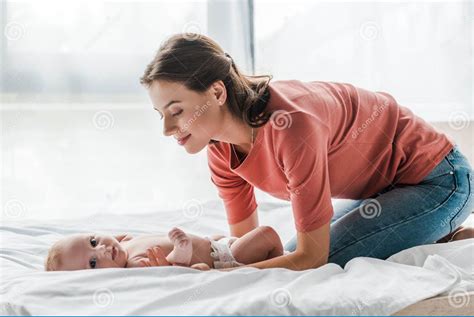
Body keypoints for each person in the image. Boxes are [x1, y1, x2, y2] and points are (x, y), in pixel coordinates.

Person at [140, 33, 474, 270]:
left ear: (216, 92)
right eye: (160, 115)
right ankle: (442, 234)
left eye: (176, 111)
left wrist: (226, 277)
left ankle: (438, 221)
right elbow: (247, 247)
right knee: (287, 256)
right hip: (387, 191)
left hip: (440, 181)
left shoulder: (292, 126)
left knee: (317, 260)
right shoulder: (220, 151)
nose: (167, 130)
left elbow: (310, 258)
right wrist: (199, 261)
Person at [44, 226, 284, 271]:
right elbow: (170, 268)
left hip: (215, 242)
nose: (103, 250)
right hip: (225, 258)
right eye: (93, 263)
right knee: (267, 235)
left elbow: (115, 239)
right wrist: (181, 251)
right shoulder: (134, 262)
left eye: (93, 242)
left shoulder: (123, 243)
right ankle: (283, 265)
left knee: (230, 236)